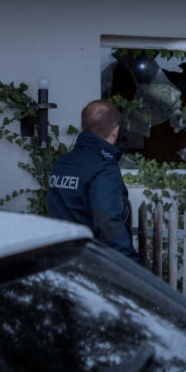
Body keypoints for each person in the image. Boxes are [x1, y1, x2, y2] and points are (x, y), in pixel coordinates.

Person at [47, 99, 139, 261]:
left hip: (60, 260)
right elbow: (107, 221)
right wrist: (131, 265)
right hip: (91, 264)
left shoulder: (62, 163)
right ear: (115, 130)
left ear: (83, 128)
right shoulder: (103, 168)